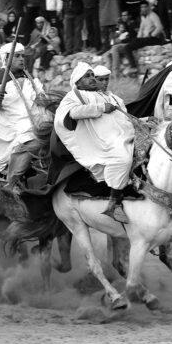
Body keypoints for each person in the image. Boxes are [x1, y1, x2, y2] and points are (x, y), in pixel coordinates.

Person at [55, 62, 136, 223]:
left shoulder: (111, 96)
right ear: (77, 82)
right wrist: (100, 108)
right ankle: (114, 202)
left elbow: (125, 118)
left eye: (93, 75)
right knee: (123, 159)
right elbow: (72, 113)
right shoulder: (74, 95)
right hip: (101, 142)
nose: (93, 79)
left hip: (124, 135)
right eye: (87, 76)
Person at [0, 42, 48, 196]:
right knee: (33, 140)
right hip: (13, 126)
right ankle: (12, 182)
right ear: (6, 59)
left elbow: (41, 100)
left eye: (22, 56)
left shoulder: (30, 78)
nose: (21, 59)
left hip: (38, 120)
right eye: (16, 56)